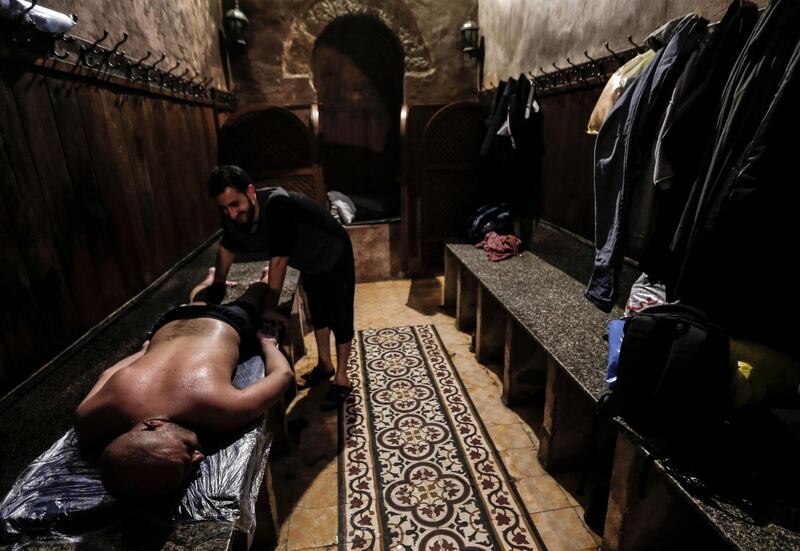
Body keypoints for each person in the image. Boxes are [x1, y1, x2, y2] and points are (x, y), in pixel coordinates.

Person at [74, 268, 293, 501]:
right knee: (197, 300)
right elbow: (108, 372)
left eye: (187, 449)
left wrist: (267, 345)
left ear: (154, 424)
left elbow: (283, 375)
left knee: (254, 297)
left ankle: (264, 277)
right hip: (171, 323)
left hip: (226, 322)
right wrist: (144, 351)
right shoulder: (87, 415)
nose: (199, 456)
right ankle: (212, 278)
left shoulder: (222, 408)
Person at [204, 165, 355, 410]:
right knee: (318, 311)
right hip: (308, 259)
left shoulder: (277, 205)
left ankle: (342, 378)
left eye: (235, 204)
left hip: (333, 250)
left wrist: (269, 308)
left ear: (251, 192)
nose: (231, 213)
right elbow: (226, 248)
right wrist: (217, 287)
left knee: (340, 314)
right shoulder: (235, 215)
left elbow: (279, 262)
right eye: (224, 208)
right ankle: (325, 366)